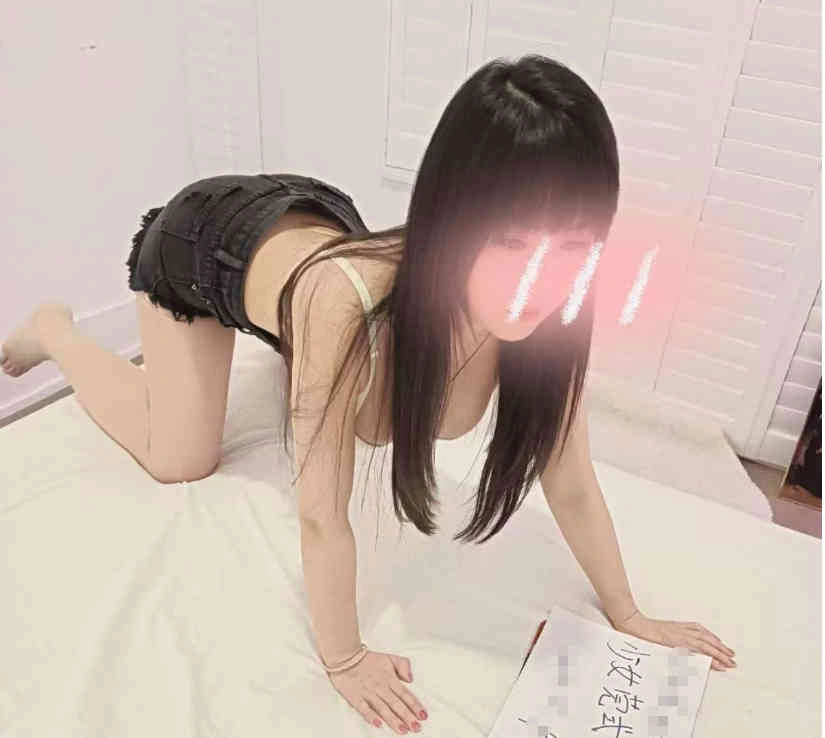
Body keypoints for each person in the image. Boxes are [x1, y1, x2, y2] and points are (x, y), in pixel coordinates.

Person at [1, 54, 735, 735]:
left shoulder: (559, 303)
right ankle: (54, 330)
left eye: (571, 248)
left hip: (312, 225)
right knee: (179, 460)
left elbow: (568, 477)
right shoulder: (345, 300)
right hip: (203, 245)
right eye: (511, 243)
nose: (540, 278)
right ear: (452, 219)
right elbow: (320, 513)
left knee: (339, 361)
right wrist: (344, 656)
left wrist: (628, 613)